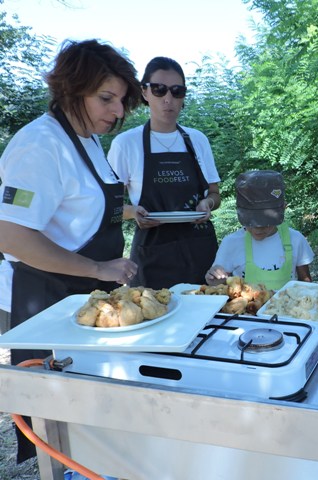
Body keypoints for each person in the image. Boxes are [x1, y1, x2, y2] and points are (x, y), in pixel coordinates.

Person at [0, 39, 141, 464]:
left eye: (121, 101)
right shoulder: (40, 145)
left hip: (83, 300)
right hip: (46, 301)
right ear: (70, 89)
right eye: (106, 98)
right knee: (60, 432)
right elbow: (11, 235)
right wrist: (98, 268)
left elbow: (80, 212)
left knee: (91, 425)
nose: (117, 111)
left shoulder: (89, 140)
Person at [108, 57, 221, 290]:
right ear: (145, 92)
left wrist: (208, 204)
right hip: (152, 255)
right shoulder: (126, 143)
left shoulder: (198, 140)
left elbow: (215, 194)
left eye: (177, 91)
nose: (168, 99)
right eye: (159, 90)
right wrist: (133, 212)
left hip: (200, 250)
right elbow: (109, 205)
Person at [205, 170, 314, 290]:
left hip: (287, 302)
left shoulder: (296, 240)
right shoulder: (231, 243)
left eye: (265, 223)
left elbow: (306, 282)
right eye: (251, 222)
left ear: (283, 209)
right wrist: (215, 280)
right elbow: (220, 286)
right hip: (245, 303)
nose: (258, 229)